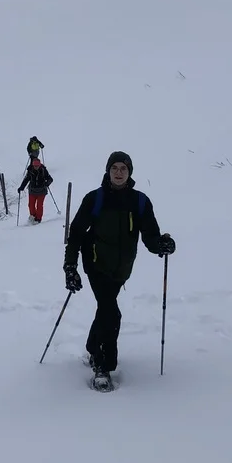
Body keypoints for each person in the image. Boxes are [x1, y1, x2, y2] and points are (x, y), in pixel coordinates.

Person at [63, 151, 175, 384]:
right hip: (95, 263)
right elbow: (75, 234)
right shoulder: (94, 199)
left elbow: (150, 236)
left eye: (123, 168)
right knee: (111, 312)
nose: (118, 172)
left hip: (122, 268)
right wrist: (70, 267)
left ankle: (93, 346)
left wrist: (161, 246)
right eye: (114, 168)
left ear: (129, 172)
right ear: (108, 170)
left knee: (106, 308)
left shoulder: (140, 201)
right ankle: (104, 365)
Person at [16, 158, 54, 223]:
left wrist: (46, 184)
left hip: (42, 191)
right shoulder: (30, 170)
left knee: (39, 205)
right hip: (32, 191)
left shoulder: (43, 170)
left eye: (37, 166)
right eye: (35, 166)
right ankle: (33, 216)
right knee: (31, 205)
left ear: (39, 165)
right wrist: (21, 187)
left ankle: (38, 219)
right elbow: (26, 179)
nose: (36, 167)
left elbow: (50, 179)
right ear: (33, 165)